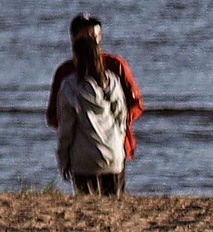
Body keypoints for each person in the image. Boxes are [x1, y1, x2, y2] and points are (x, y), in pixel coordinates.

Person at [45, 14, 142, 183]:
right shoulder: (66, 73)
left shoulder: (114, 66)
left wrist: (111, 129)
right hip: (83, 150)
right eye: (87, 38)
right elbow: (55, 116)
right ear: (73, 39)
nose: (93, 42)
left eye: (96, 37)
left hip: (114, 145)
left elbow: (134, 105)